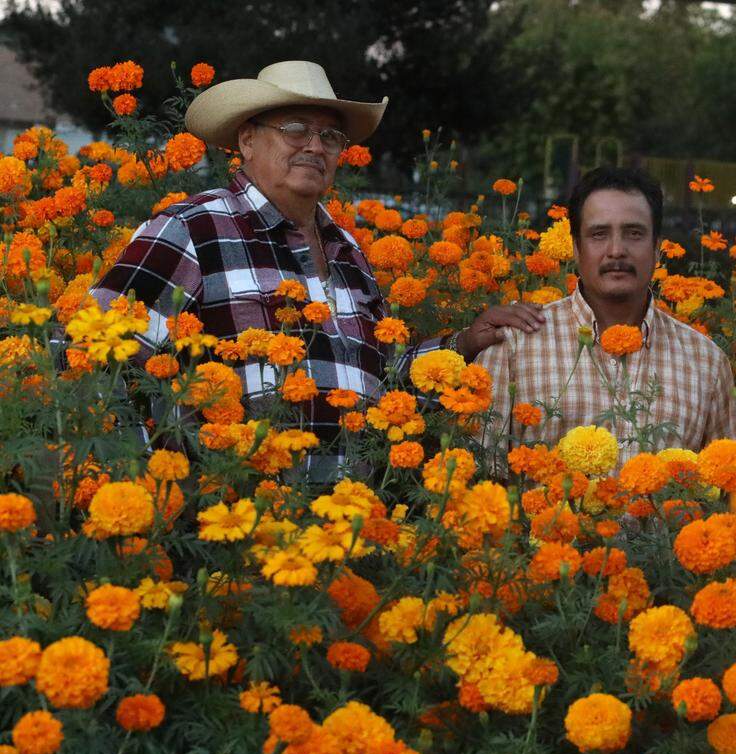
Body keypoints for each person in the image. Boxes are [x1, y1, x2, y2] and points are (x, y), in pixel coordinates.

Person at [90, 61, 534, 480]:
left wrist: (464, 344)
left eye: (331, 137)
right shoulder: (191, 228)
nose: (315, 146)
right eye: (296, 130)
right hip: (232, 527)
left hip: (343, 528)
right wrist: (156, 482)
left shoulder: (348, 249)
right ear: (247, 140)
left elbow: (383, 380)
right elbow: (93, 358)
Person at [476, 166, 736, 465]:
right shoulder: (513, 345)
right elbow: (481, 478)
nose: (617, 250)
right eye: (599, 234)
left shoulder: (706, 362)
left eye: (634, 234)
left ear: (657, 248)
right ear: (577, 248)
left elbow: (723, 491)